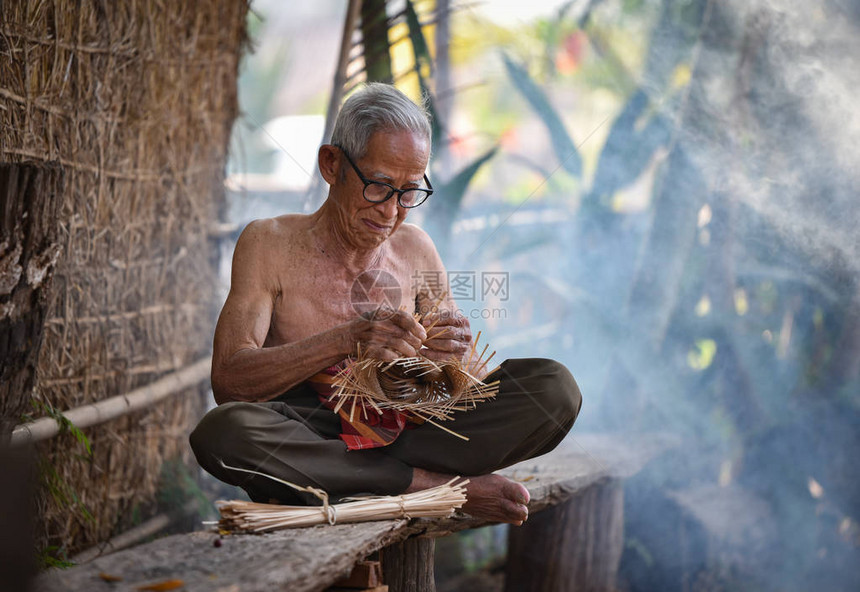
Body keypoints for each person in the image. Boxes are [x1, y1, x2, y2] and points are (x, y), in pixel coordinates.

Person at [190, 83, 582, 525]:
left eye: (409, 192)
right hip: (313, 431)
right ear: (331, 164)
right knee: (224, 432)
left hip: (410, 431)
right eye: (379, 186)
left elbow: (471, 381)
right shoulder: (269, 243)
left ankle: (365, 481)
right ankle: (437, 487)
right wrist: (348, 338)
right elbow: (229, 381)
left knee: (554, 388)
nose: (392, 210)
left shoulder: (416, 249)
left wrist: (452, 360)